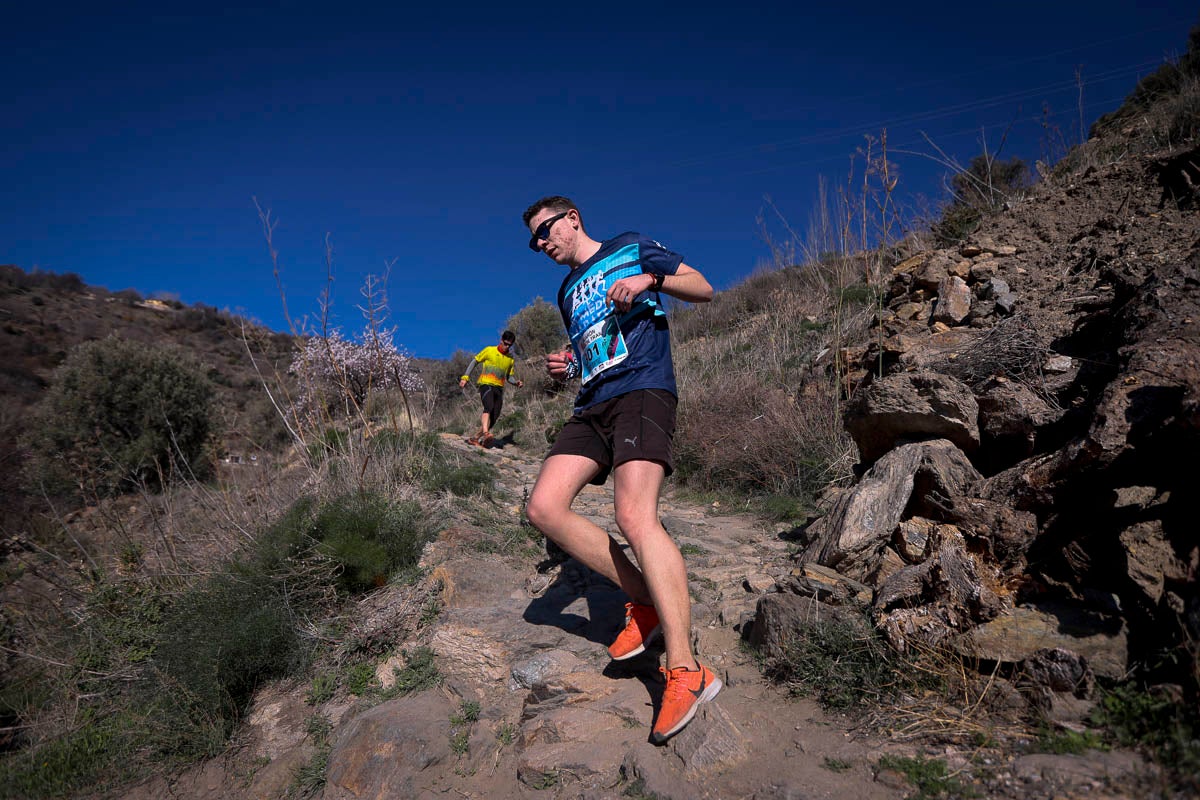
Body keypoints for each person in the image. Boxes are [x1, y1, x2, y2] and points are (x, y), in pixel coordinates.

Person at [521, 195, 719, 745]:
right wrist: (569, 364)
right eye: (534, 240)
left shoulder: (629, 248)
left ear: (572, 219)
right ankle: (648, 602)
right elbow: (593, 350)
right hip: (592, 402)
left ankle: (686, 669)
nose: (541, 244)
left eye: (544, 231)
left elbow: (703, 287)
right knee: (543, 507)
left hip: (642, 389)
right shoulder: (565, 292)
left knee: (635, 515)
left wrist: (649, 283)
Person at [459, 330, 523, 447]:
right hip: (486, 384)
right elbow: (475, 361)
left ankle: (475, 438)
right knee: (488, 406)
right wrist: (465, 377)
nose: (507, 346)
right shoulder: (489, 350)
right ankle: (486, 433)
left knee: (494, 416)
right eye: (505, 343)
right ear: (501, 340)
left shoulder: (510, 359)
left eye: (509, 345)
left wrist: (516, 383)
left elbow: (509, 376)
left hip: (499, 388)